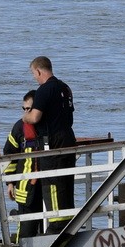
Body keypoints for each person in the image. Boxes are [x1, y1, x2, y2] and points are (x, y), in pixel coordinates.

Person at [22, 56, 76, 235]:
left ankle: (56, 225)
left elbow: (35, 117)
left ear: (38, 71)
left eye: (34, 74)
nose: (35, 78)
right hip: (68, 138)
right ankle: (67, 221)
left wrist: (26, 117)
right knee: (66, 181)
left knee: (53, 182)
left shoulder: (44, 90)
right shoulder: (65, 88)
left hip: (52, 143)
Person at [3, 90, 44, 241]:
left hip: (46, 185)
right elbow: (8, 155)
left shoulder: (48, 126)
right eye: (24, 109)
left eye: (30, 109)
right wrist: (10, 182)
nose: (26, 112)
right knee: (27, 228)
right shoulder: (19, 128)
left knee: (48, 224)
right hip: (25, 188)